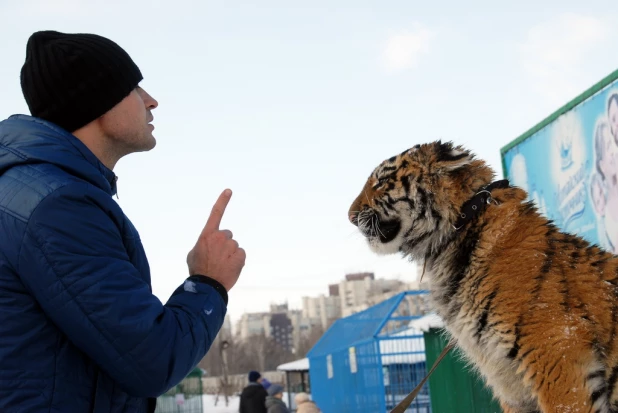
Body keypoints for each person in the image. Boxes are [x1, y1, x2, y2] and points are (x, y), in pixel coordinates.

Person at [0, 30, 246, 413]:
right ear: (95, 101)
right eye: (134, 89)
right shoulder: (58, 207)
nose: (151, 102)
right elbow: (151, 360)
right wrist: (208, 282)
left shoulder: (31, 191)